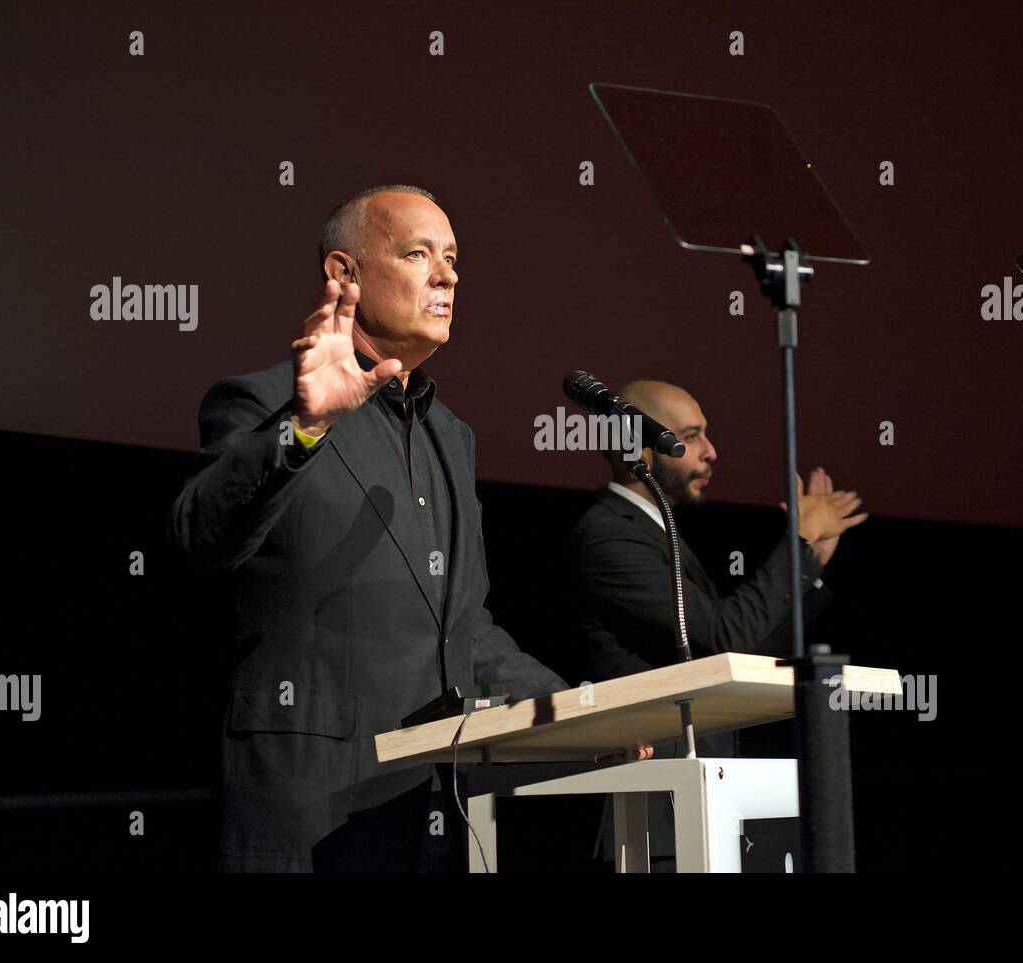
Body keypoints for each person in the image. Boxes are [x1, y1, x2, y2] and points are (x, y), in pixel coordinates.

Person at [169, 185, 566, 872]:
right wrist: (304, 428)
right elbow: (201, 536)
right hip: (313, 808)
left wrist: (575, 709)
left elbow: (466, 632)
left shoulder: (454, 437)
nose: (447, 275)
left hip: (431, 806)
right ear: (342, 274)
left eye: (452, 258)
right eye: (418, 254)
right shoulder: (266, 402)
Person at [563, 379, 866, 682]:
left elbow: (742, 655)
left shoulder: (652, 527)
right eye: (691, 436)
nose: (711, 451)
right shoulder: (609, 536)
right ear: (639, 450)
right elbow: (723, 637)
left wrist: (812, 558)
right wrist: (799, 540)